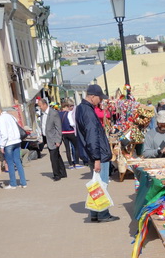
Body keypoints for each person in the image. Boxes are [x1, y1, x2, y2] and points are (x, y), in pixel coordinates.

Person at [75, 84, 118, 223]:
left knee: (96, 183)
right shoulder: (87, 111)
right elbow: (92, 136)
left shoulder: (82, 108)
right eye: (99, 98)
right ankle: (103, 213)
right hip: (98, 155)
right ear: (92, 96)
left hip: (92, 154)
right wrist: (97, 159)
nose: (100, 101)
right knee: (101, 184)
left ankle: (94, 213)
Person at [0, 105, 26, 189]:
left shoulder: (0, 120)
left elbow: (4, 134)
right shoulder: (10, 116)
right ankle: (23, 182)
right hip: (17, 141)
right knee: (18, 161)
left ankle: (13, 184)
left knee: (10, 163)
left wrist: (1, 146)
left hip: (8, 143)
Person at [37, 98, 66, 181]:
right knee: (57, 155)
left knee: (53, 157)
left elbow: (58, 128)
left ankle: (57, 175)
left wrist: (58, 140)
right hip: (47, 137)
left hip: (53, 138)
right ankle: (63, 172)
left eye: (40, 106)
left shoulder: (53, 113)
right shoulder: (42, 114)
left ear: (45, 104)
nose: (40, 108)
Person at [60, 101, 80, 168]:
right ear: (65, 107)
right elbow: (72, 123)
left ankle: (70, 164)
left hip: (63, 133)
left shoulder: (58, 114)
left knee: (67, 149)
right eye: (67, 107)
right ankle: (77, 163)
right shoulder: (68, 113)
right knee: (76, 147)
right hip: (70, 132)